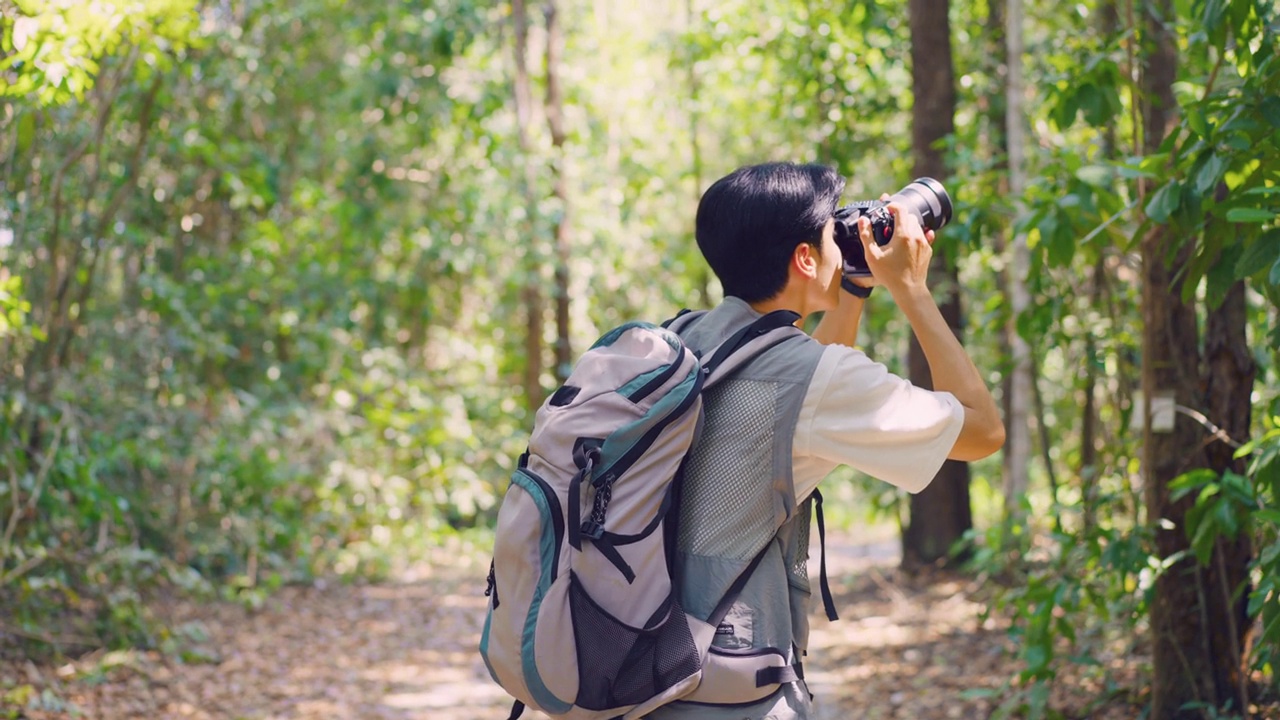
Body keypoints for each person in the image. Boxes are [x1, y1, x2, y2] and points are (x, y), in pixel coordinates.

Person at [648, 162, 1005, 720]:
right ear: (805, 259)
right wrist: (910, 289)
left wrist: (853, 289)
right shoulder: (813, 378)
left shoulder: (680, 337)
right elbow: (982, 431)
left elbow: (800, 390)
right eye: (828, 230)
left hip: (645, 669)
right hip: (730, 689)